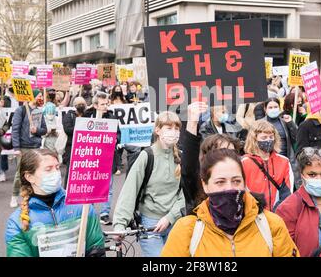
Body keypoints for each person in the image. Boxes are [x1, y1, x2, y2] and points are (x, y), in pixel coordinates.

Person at [161, 149, 299, 257]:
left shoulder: (271, 225)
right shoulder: (187, 230)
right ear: (205, 185)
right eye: (220, 182)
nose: (229, 188)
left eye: (236, 181)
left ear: (245, 183)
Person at [5, 149, 105, 257]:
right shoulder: (16, 222)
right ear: (29, 177)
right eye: (48, 169)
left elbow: (96, 248)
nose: (56, 173)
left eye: (57, 168)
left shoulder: (81, 206)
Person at [112, 111, 185, 257]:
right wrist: (120, 224)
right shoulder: (147, 156)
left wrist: (170, 217)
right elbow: (130, 190)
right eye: (169, 128)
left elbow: (185, 193)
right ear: (158, 130)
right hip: (149, 224)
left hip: (176, 222)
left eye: (177, 129)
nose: (174, 133)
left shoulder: (181, 157)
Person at [181, 101, 241, 214]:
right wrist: (192, 122)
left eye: (231, 152)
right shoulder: (199, 181)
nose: (228, 156)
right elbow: (189, 166)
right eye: (222, 151)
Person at [241, 120, 294, 211]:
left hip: (278, 213)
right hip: (253, 212)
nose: (268, 140)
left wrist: (276, 212)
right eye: (264, 137)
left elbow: (287, 191)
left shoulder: (284, 161)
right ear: (254, 140)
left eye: (271, 137)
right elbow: (243, 191)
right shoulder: (244, 163)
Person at [83, 92, 116, 225]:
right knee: (90, 185)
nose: (106, 107)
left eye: (107, 103)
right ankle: (89, 211)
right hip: (90, 157)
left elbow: (117, 135)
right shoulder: (86, 117)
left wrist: (110, 141)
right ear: (95, 105)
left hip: (107, 158)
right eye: (103, 104)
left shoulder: (112, 118)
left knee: (107, 187)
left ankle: (104, 213)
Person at [10, 89, 47, 208]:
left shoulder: (39, 112)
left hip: (35, 146)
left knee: (34, 173)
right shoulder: (21, 110)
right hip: (23, 147)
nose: (41, 98)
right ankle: (14, 196)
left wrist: (37, 131)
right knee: (19, 174)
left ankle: (30, 197)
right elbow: (15, 129)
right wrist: (16, 147)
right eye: (40, 96)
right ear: (33, 97)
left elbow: (44, 130)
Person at [62, 97, 86, 187]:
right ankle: (67, 189)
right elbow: (67, 129)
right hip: (71, 146)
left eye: (82, 104)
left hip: (83, 147)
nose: (81, 106)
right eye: (79, 104)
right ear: (74, 106)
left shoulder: (86, 115)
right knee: (70, 169)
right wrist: (80, 128)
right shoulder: (69, 115)